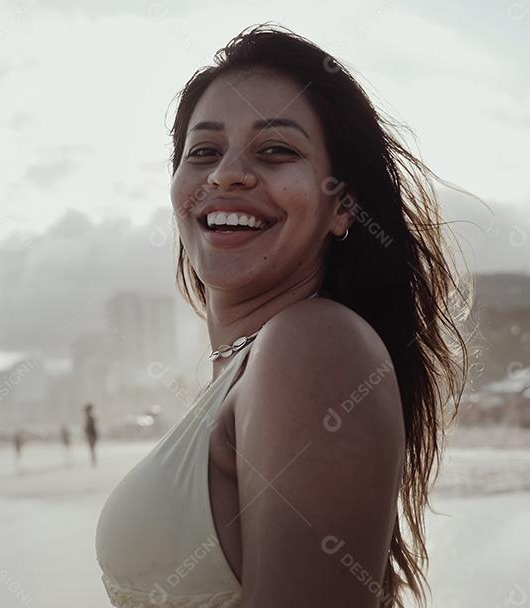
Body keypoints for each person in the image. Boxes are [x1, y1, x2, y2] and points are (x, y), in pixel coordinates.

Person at [94, 24, 468, 608]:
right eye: (204, 152)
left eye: (276, 151)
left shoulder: (314, 344)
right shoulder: (252, 365)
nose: (227, 174)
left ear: (341, 205)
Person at [83, 403, 99, 468]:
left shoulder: (90, 417)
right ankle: (93, 460)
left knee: (92, 449)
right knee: (92, 449)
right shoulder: (90, 417)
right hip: (91, 435)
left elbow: (89, 427)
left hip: (91, 435)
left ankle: (93, 461)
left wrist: (86, 430)